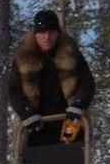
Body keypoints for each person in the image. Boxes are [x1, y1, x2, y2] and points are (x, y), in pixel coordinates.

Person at [7, 9, 95, 147]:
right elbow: (13, 89)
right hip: (35, 126)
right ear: (35, 35)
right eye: (42, 33)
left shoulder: (71, 52)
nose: (46, 37)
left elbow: (87, 81)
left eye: (51, 33)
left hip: (69, 124)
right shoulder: (23, 56)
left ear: (57, 33)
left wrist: (79, 103)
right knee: (31, 163)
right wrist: (25, 111)